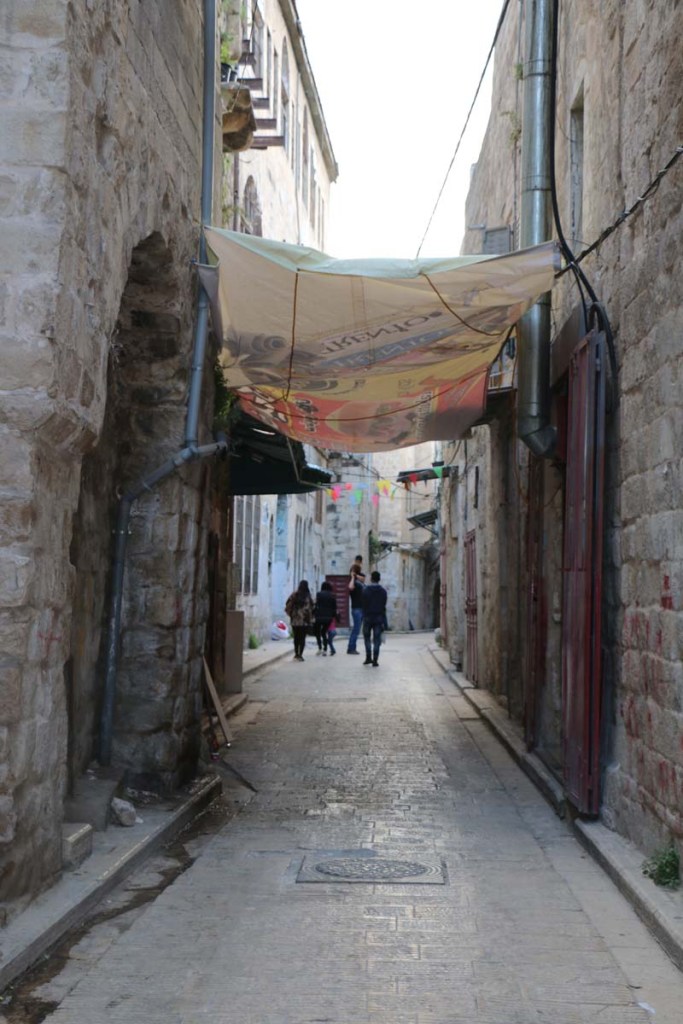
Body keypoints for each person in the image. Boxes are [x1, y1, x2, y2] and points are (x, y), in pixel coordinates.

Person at [362, 570, 388, 667]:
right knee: (377, 639)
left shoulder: (365, 590)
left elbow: (363, 604)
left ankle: (368, 657)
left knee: (367, 638)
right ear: (379, 579)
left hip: (368, 617)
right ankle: (375, 660)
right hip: (378, 618)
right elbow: (384, 605)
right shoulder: (383, 592)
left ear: (371, 579)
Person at [284, 580, 314, 661]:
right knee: (302, 638)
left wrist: (292, 614)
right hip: (304, 621)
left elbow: (287, 604)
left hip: (294, 620)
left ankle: (296, 654)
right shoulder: (308, 596)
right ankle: (300, 654)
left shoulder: (294, 595)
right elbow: (311, 608)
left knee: (296, 637)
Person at [314, 581, 337, 656]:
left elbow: (316, 604)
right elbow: (334, 608)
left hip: (319, 616)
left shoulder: (319, 594)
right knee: (324, 632)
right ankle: (325, 649)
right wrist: (333, 617)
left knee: (317, 632)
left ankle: (320, 647)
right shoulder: (332, 596)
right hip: (328, 618)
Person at [346, 565, 364, 655]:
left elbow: (363, 579)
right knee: (356, 629)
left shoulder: (360, 582)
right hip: (356, 608)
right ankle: (351, 647)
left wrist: (356, 576)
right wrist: (353, 577)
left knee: (357, 629)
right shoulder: (353, 582)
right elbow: (350, 587)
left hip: (361, 608)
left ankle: (352, 647)